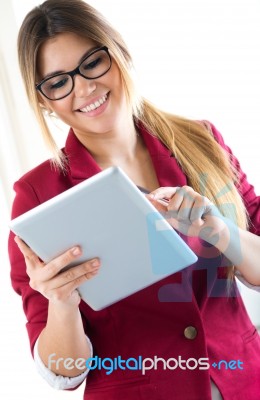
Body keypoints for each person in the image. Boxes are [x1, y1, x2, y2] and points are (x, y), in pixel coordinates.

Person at [8, 0, 260, 399]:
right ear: (45, 101)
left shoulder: (201, 140)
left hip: (247, 383)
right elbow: (65, 372)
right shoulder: (38, 196)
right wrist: (60, 302)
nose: (84, 88)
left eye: (92, 62)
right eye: (58, 82)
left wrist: (219, 229)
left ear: (118, 51)